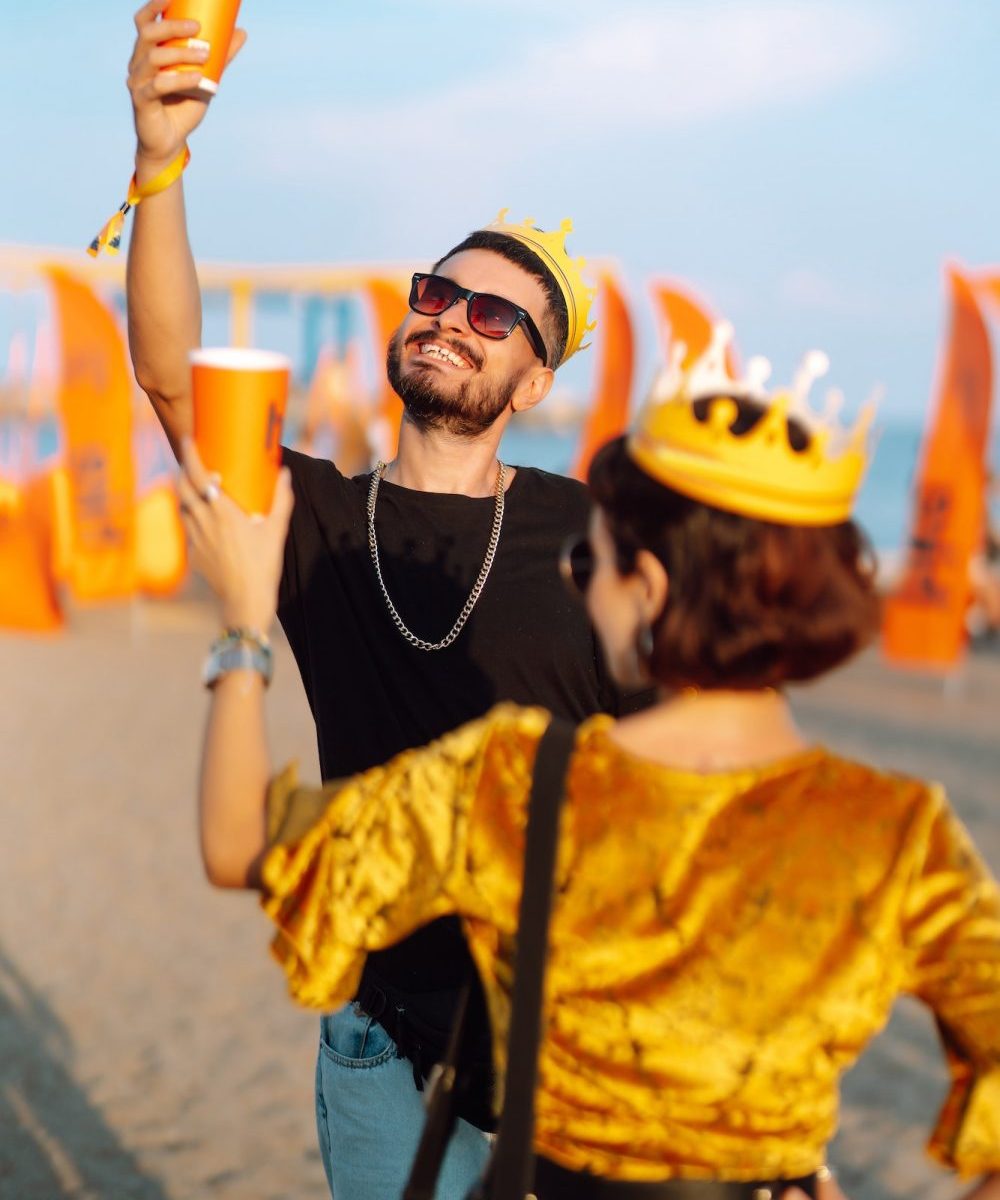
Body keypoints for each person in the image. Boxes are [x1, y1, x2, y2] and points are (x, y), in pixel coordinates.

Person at [181, 325, 1000, 1199]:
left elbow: (239, 845)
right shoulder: (895, 830)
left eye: (588, 557)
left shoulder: (514, 784)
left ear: (647, 588)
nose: (577, 581)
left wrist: (244, 624)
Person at [122, 3, 647, 1195]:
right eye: (435, 294)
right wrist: (160, 159)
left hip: (569, 1059)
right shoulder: (311, 519)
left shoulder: (594, 536)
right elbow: (169, 382)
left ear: (534, 381)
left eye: (493, 316)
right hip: (380, 1053)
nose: (451, 319)